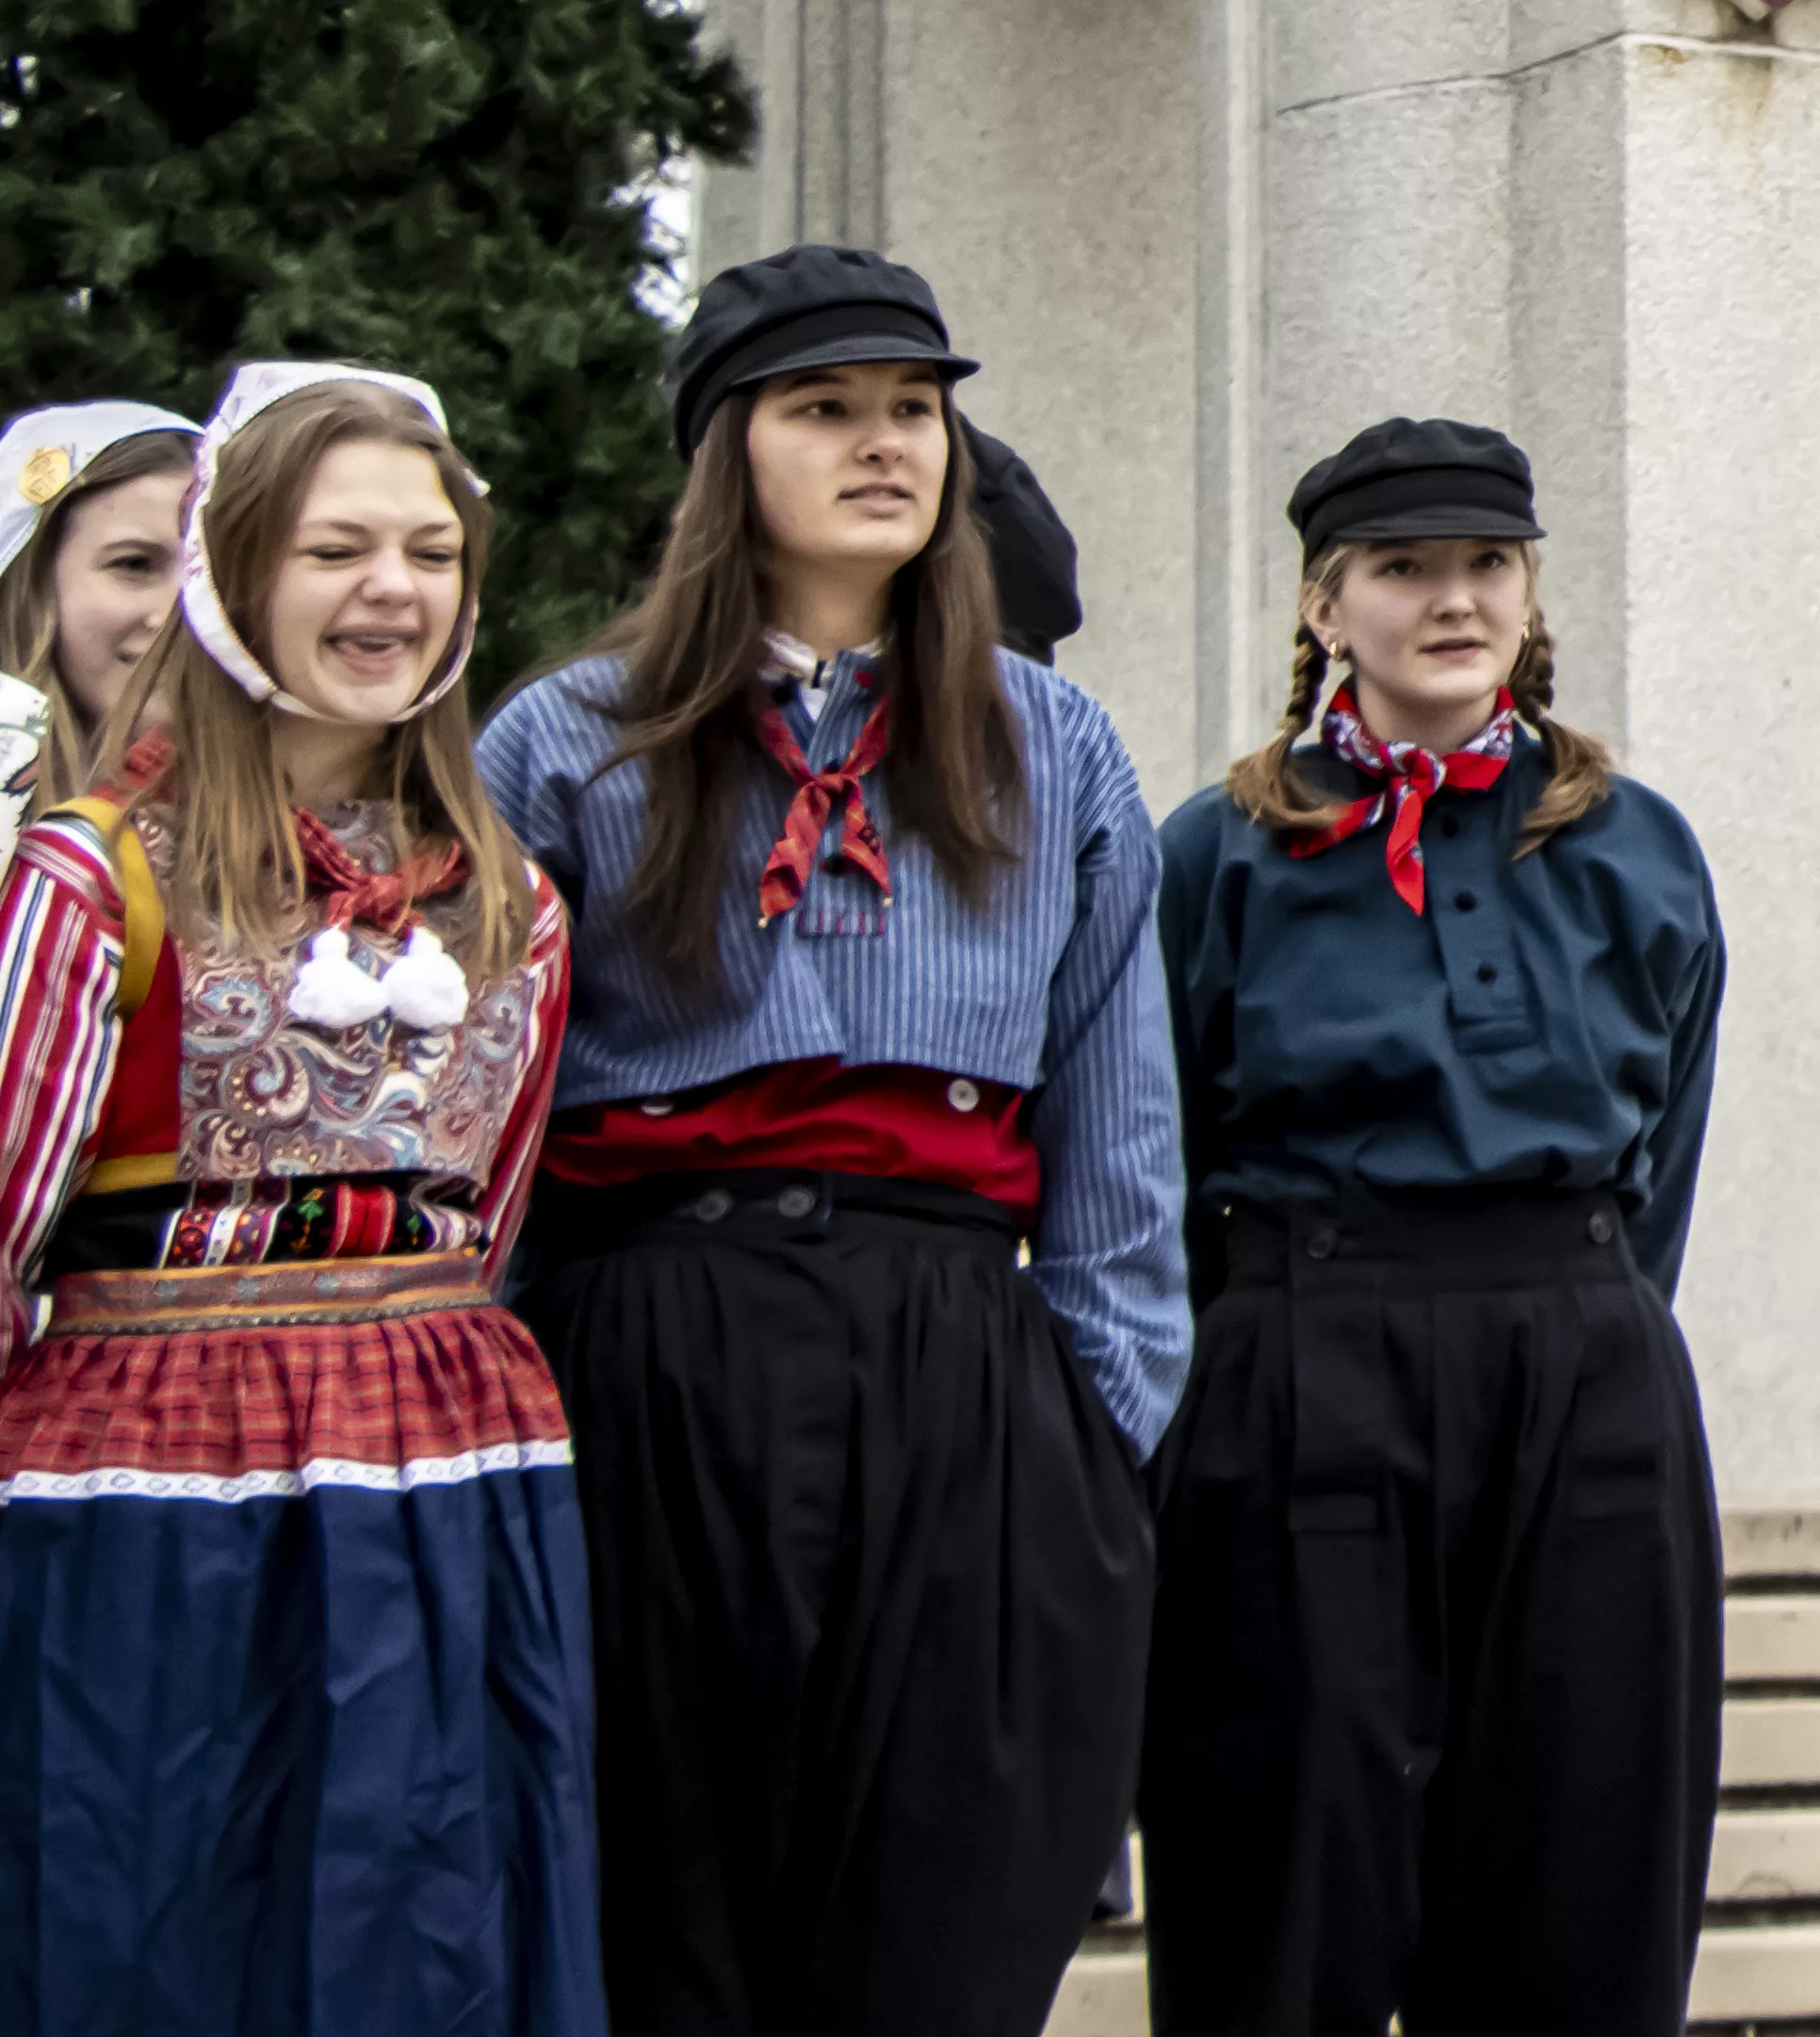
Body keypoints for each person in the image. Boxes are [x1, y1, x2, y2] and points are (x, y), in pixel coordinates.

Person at [473, 244, 1188, 2037]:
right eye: (825, 408)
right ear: (728, 451)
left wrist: (1093, 1446)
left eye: (915, 410)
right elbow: (481, 1130)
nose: (886, 445)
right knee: (667, 1930)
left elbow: (1123, 1135)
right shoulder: (565, 742)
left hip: (969, 1374)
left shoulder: (1060, 749)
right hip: (654, 1363)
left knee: (943, 1937)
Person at [0, 364, 593, 2026]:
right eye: (337, 548)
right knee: (156, 1916)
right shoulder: (92, 875)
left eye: (431, 550)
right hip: (148, 1492)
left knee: (428, 1925)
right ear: (232, 565)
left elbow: (503, 1201)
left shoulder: (513, 903)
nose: (392, 590)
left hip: (445, 1474)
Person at [1145, 416, 1731, 2037]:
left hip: (1582, 1368)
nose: (1452, 600)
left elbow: (1662, 1148)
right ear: (1329, 605)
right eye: (1405, 569)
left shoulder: (1635, 842)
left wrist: (1580, 1326)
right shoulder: (1221, 852)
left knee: (1584, 1863)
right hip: (1301, 1363)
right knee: (1288, 1866)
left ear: (1530, 591)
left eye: (1487, 563)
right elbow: (1165, 1149)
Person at [0, 395, 192, 809]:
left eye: (208, 571)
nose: (185, 615)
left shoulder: (291, 824)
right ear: (31, 586)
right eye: (134, 564)